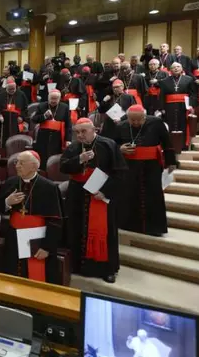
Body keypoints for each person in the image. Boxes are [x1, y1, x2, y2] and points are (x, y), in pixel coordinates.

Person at [60, 118, 127, 283]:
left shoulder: (108, 145)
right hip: (77, 193)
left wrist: (104, 192)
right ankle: (77, 266)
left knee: (105, 232)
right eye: (77, 132)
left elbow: (120, 172)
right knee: (76, 229)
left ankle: (107, 270)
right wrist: (79, 159)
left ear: (94, 129)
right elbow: (63, 167)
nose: (80, 135)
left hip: (101, 195)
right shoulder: (73, 148)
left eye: (83, 131)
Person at [0, 151, 64, 283]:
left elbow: (55, 221)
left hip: (38, 239)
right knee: (12, 273)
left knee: (35, 275)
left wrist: (47, 247)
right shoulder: (10, 183)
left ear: (34, 166)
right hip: (13, 237)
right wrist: (7, 202)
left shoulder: (49, 187)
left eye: (21, 163)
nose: (17, 165)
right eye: (16, 162)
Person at [115, 105, 176, 236]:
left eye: (139, 120)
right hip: (130, 167)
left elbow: (167, 142)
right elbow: (112, 144)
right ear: (128, 118)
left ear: (145, 116)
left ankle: (154, 228)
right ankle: (129, 225)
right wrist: (120, 149)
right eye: (132, 120)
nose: (136, 123)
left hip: (152, 167)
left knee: (153, 196)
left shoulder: (156, 122)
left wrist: (171, 162)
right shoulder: (121, 126)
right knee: (130, 195)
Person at [158, 63, 196, 149]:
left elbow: (193, 94)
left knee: (183, 125)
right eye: (173, 67)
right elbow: (161, 96)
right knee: (170, 125)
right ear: (170, 70)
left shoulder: (189, 79)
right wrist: (162, 108)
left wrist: (191, 105)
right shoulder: (164, 81)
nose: (176, 68)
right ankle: (171, 146)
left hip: (184, 106)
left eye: (178, 67)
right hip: (169, 107)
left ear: (182, 68)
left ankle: (183, 145)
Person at [31, 90, 72, 161]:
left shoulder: (64, 107)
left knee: (55, 157)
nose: (53, 101)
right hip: (43, 137)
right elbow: (34, 119)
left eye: (55, 99)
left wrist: (68, 139)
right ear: (48, 98)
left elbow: (68, 124)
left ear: (59, 99)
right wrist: (44, 116)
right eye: (51, 98)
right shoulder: (41, 106)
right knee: (43, 157)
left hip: (57, 137)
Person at [0, 80, 29, 145]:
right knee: (4, 138)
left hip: (17, 121)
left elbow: (25, 108)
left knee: (16, 138)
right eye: (10, 89)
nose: (12, 90)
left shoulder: (21, 94)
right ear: (6, 88)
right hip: (4, 121)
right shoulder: (0, 95)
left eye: (14, 89)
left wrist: (22, 117)